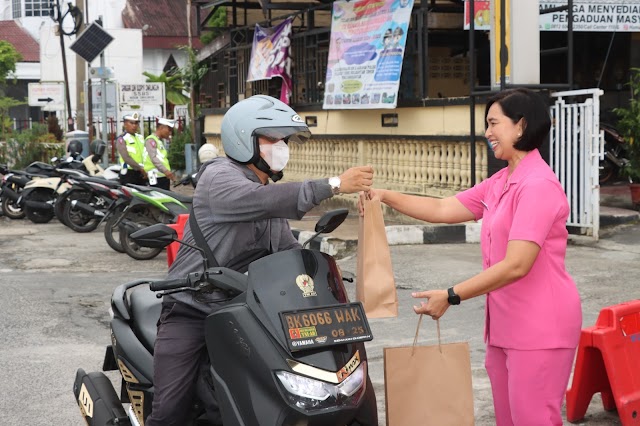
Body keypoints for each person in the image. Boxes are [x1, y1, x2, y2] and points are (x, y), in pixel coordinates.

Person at [146, 94, 374, 425]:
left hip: (245, 309)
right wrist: (335, 184)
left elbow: (285, 248)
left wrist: (320, 274)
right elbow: (259, 201)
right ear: (245, 140)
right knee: (169, 411)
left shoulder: (265, 192)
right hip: (192, 308)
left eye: (283, 140)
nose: (281, 146)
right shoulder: (218, 177)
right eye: (273, 139)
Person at [360, 88, 582, 425]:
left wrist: (452, 295)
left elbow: (517, 264)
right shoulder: (500, 182)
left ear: (520, 126)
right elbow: (441, 207)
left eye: (494, 123)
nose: (488, 132)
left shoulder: (538, 186)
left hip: (541, 328)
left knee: (533, 419)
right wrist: (384, 195)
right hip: (503, 329)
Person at [144, 117, 176, 190]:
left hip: (162, 176)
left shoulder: (159, 141)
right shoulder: (151, 140)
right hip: (155, 177)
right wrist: (166, 171)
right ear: (162, 128)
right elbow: (153, 158)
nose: (170, 133)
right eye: (169, 130)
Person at [115, 112, 147, 185]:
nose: (134, 126)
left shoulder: (140, 138)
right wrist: (140, 168)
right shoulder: (122, 139)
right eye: (131, 123)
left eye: (136, 123)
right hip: (129, 173)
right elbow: (126, 157)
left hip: (142, 172)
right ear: (125, 124)